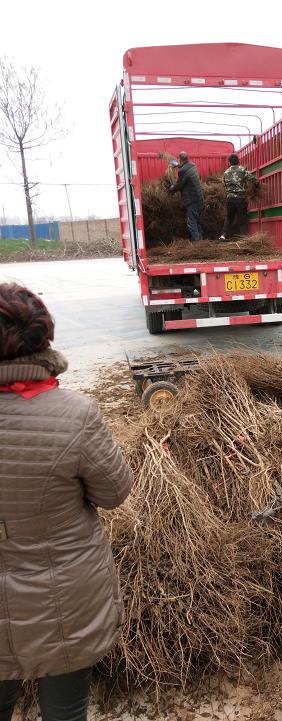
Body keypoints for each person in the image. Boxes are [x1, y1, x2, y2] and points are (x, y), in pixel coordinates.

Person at [0, 283, 133, 721]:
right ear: (42, 338)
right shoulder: (74, 414)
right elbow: (114, 493)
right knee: (65, 712)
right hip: (65, 603)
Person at [219, 154, 259, 240]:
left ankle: (223, 235)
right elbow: (254, 180)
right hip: (240, 199)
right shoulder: (242, 170)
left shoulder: (225, 173)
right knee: (242, 219)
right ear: (238, 161)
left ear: (229, 162)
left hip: (230, 198)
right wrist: (256, 186)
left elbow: (225, 185)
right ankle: (244, 239)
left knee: (229, 218)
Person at [169, 151, 204, 242]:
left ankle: (196, 242)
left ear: (179, 159)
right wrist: (178, 165)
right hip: (199, 197)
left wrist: (171, 189)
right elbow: (185, 169)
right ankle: (201, 240)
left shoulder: (182, 171)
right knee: (197, 220)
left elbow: (179, 185)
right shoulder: (193, 166)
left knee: (191, 221)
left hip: (192, 199)